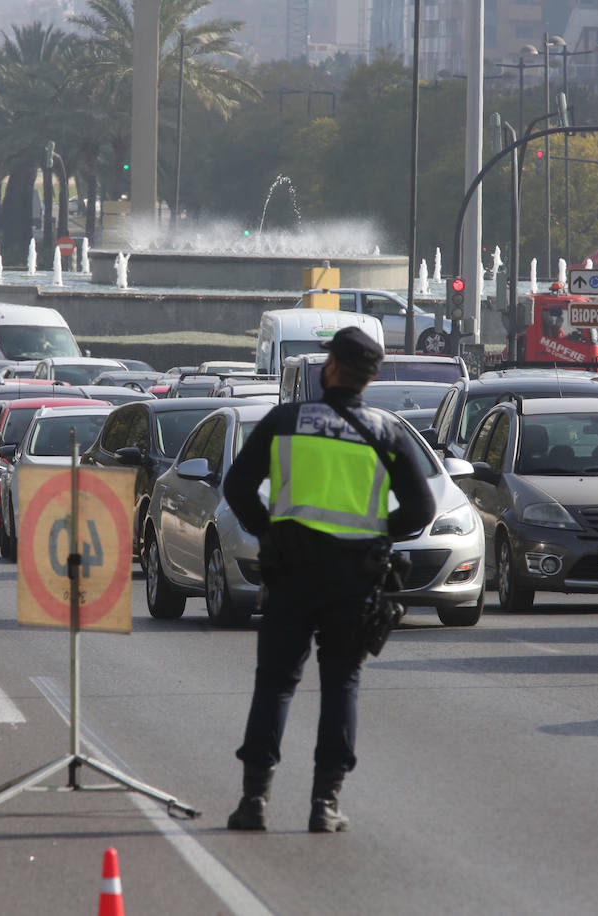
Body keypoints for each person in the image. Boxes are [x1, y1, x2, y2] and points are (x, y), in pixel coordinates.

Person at [221, 326, 436, 834]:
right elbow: (422, 508)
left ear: (330, 368)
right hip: (355, 578)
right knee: (342, 684)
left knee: (275, 684)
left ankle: (254, 801)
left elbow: (237, 485)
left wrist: (269, 530)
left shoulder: (286, 419)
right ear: (372, 376)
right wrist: (373, 535)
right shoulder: (387, 430)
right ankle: (325, 805)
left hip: (291, 571)